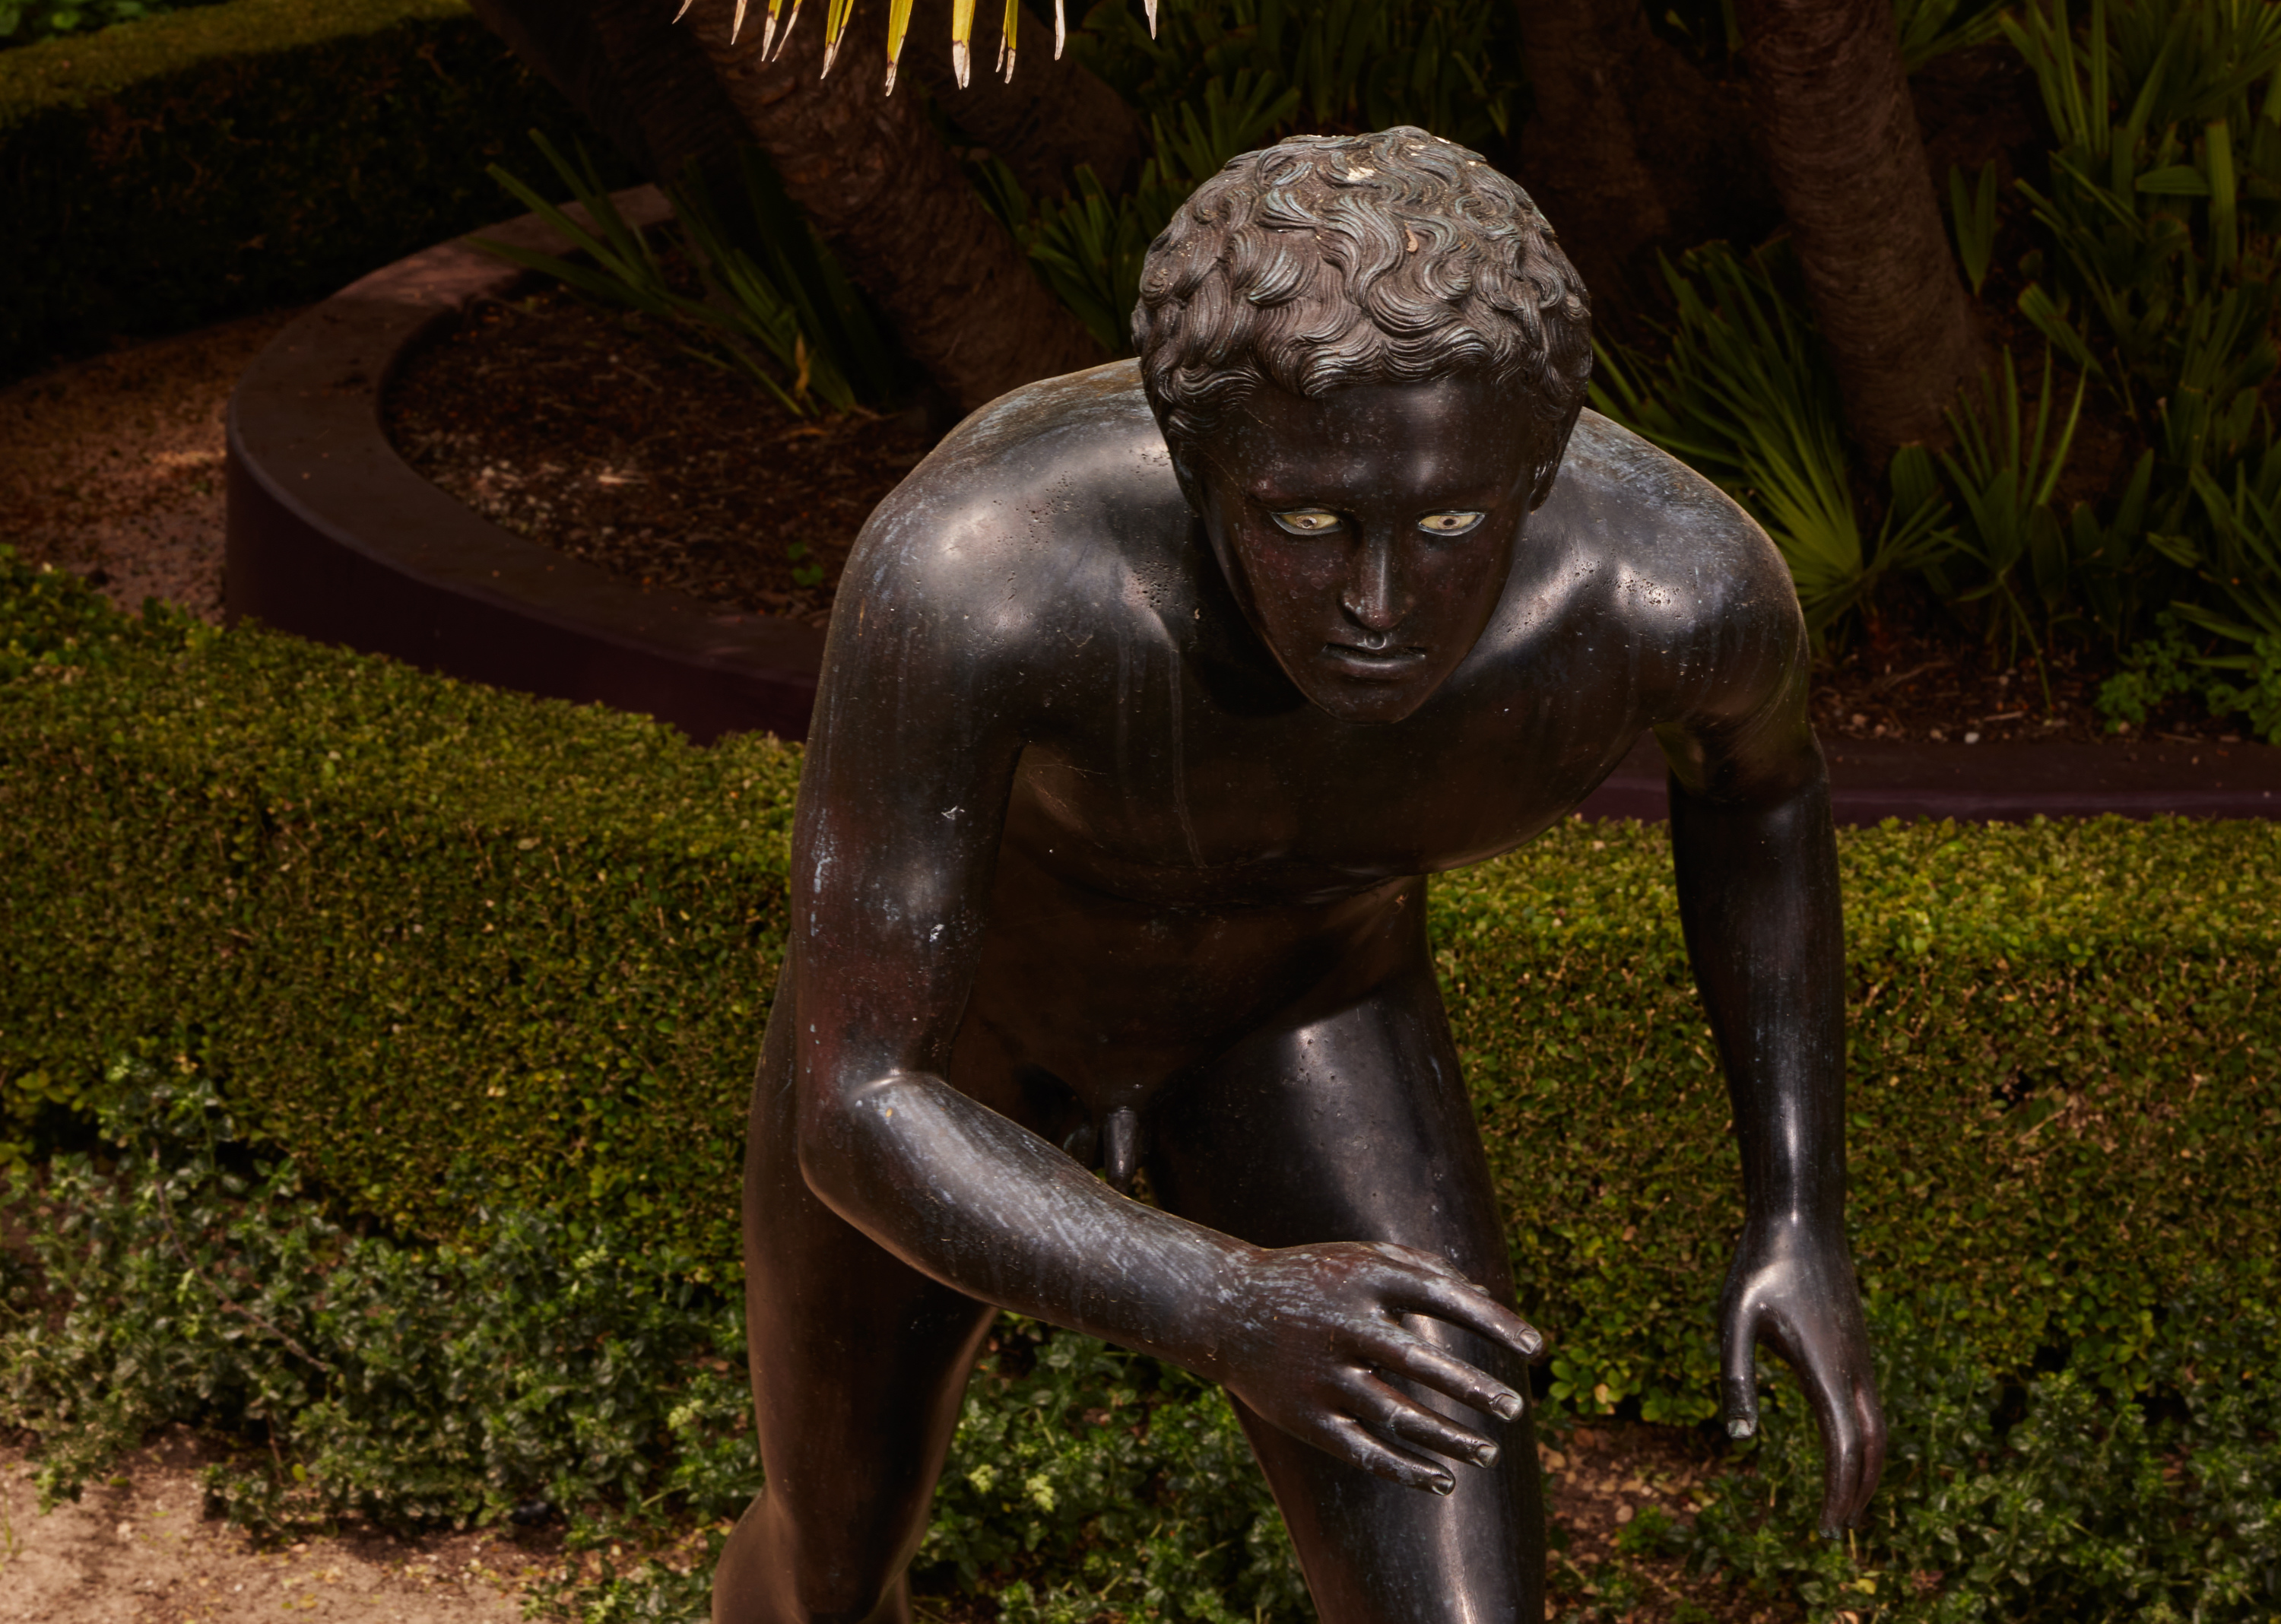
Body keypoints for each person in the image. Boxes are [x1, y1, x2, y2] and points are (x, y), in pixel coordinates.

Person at [714, 125, 1883, 1624]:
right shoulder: (976, 572)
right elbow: (859, 1098)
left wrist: (1798, 1206)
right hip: (962, 1053)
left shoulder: (1674, 588)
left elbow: (1766, 792)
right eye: (1308, 521)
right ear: (1197, 458)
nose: (1381, 603)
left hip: (1306, 1019)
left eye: (1451, 522)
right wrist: (1223, 1302)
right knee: (828, 1559)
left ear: (1539, 464)